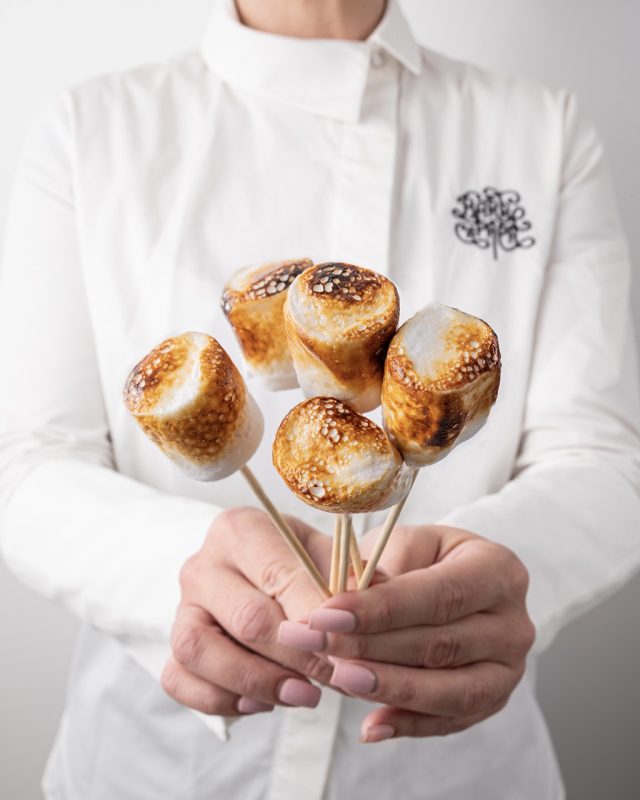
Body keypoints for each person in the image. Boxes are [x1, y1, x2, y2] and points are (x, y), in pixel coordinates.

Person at [1, 0, 639, 797]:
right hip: (148, 771)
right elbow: (26, 464)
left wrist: (498, 566)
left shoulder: (544, 130)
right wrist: (174, 566)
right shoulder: (89, 128)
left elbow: (603, 457)